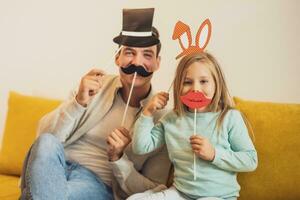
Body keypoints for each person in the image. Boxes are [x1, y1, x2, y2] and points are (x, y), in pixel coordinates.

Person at [20, 8, 171, 200]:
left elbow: (153, 189)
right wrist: (78, 103)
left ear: (158, 63)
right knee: (47, 141)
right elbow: (43, 139)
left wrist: (118, 158)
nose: (137, 62)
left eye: (147, 55)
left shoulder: (162, 119)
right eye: (129, 52)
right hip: (54, 168)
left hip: (97, 183)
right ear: (117, 57)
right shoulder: (93, 85)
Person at [130, 52, 258, 200]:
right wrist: (147, 112)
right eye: (187, 82)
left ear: (217, 84)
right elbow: (141, 147)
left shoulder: (229, 118)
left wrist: (214, 154)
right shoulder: (172, 119)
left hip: (219, 197)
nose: (195, 89)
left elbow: (250, 160)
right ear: (178, 86)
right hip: (181, 193)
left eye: (203, 81)